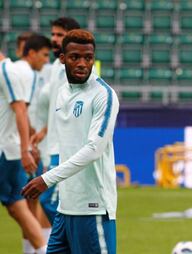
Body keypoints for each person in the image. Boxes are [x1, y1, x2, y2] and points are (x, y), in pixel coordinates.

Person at [22, 29, 119, 254]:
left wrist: (46, 179)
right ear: (63, 58)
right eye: (75, 57)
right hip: (65, 210)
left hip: (92, 208)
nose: (83, 63)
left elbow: (94, 149)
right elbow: (66, 140)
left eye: (88, 57)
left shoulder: (103, 95)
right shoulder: (63, 93)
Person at [30, 17, 80, 226]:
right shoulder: (55, 69)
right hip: (52, 146)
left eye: (59, 35)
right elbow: (55, 107)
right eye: (53, 34)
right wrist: (44, 130)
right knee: (52, 204)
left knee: (51, 203)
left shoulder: (73, 69)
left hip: (64, 148)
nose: (54, 39)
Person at [0, 54, 47, 253]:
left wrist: (25, 148)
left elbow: (20, 109)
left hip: (6, 150)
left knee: (17, 205)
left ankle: (44, 250)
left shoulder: (6, 71)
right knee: (22, 205)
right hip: (11, 148)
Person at [14, 33, 52, 254]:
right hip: (27, 144)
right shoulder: (25, 73)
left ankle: (39, 249)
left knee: (29, 202)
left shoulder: (41, 74)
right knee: (23, 203)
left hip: (35, 146)